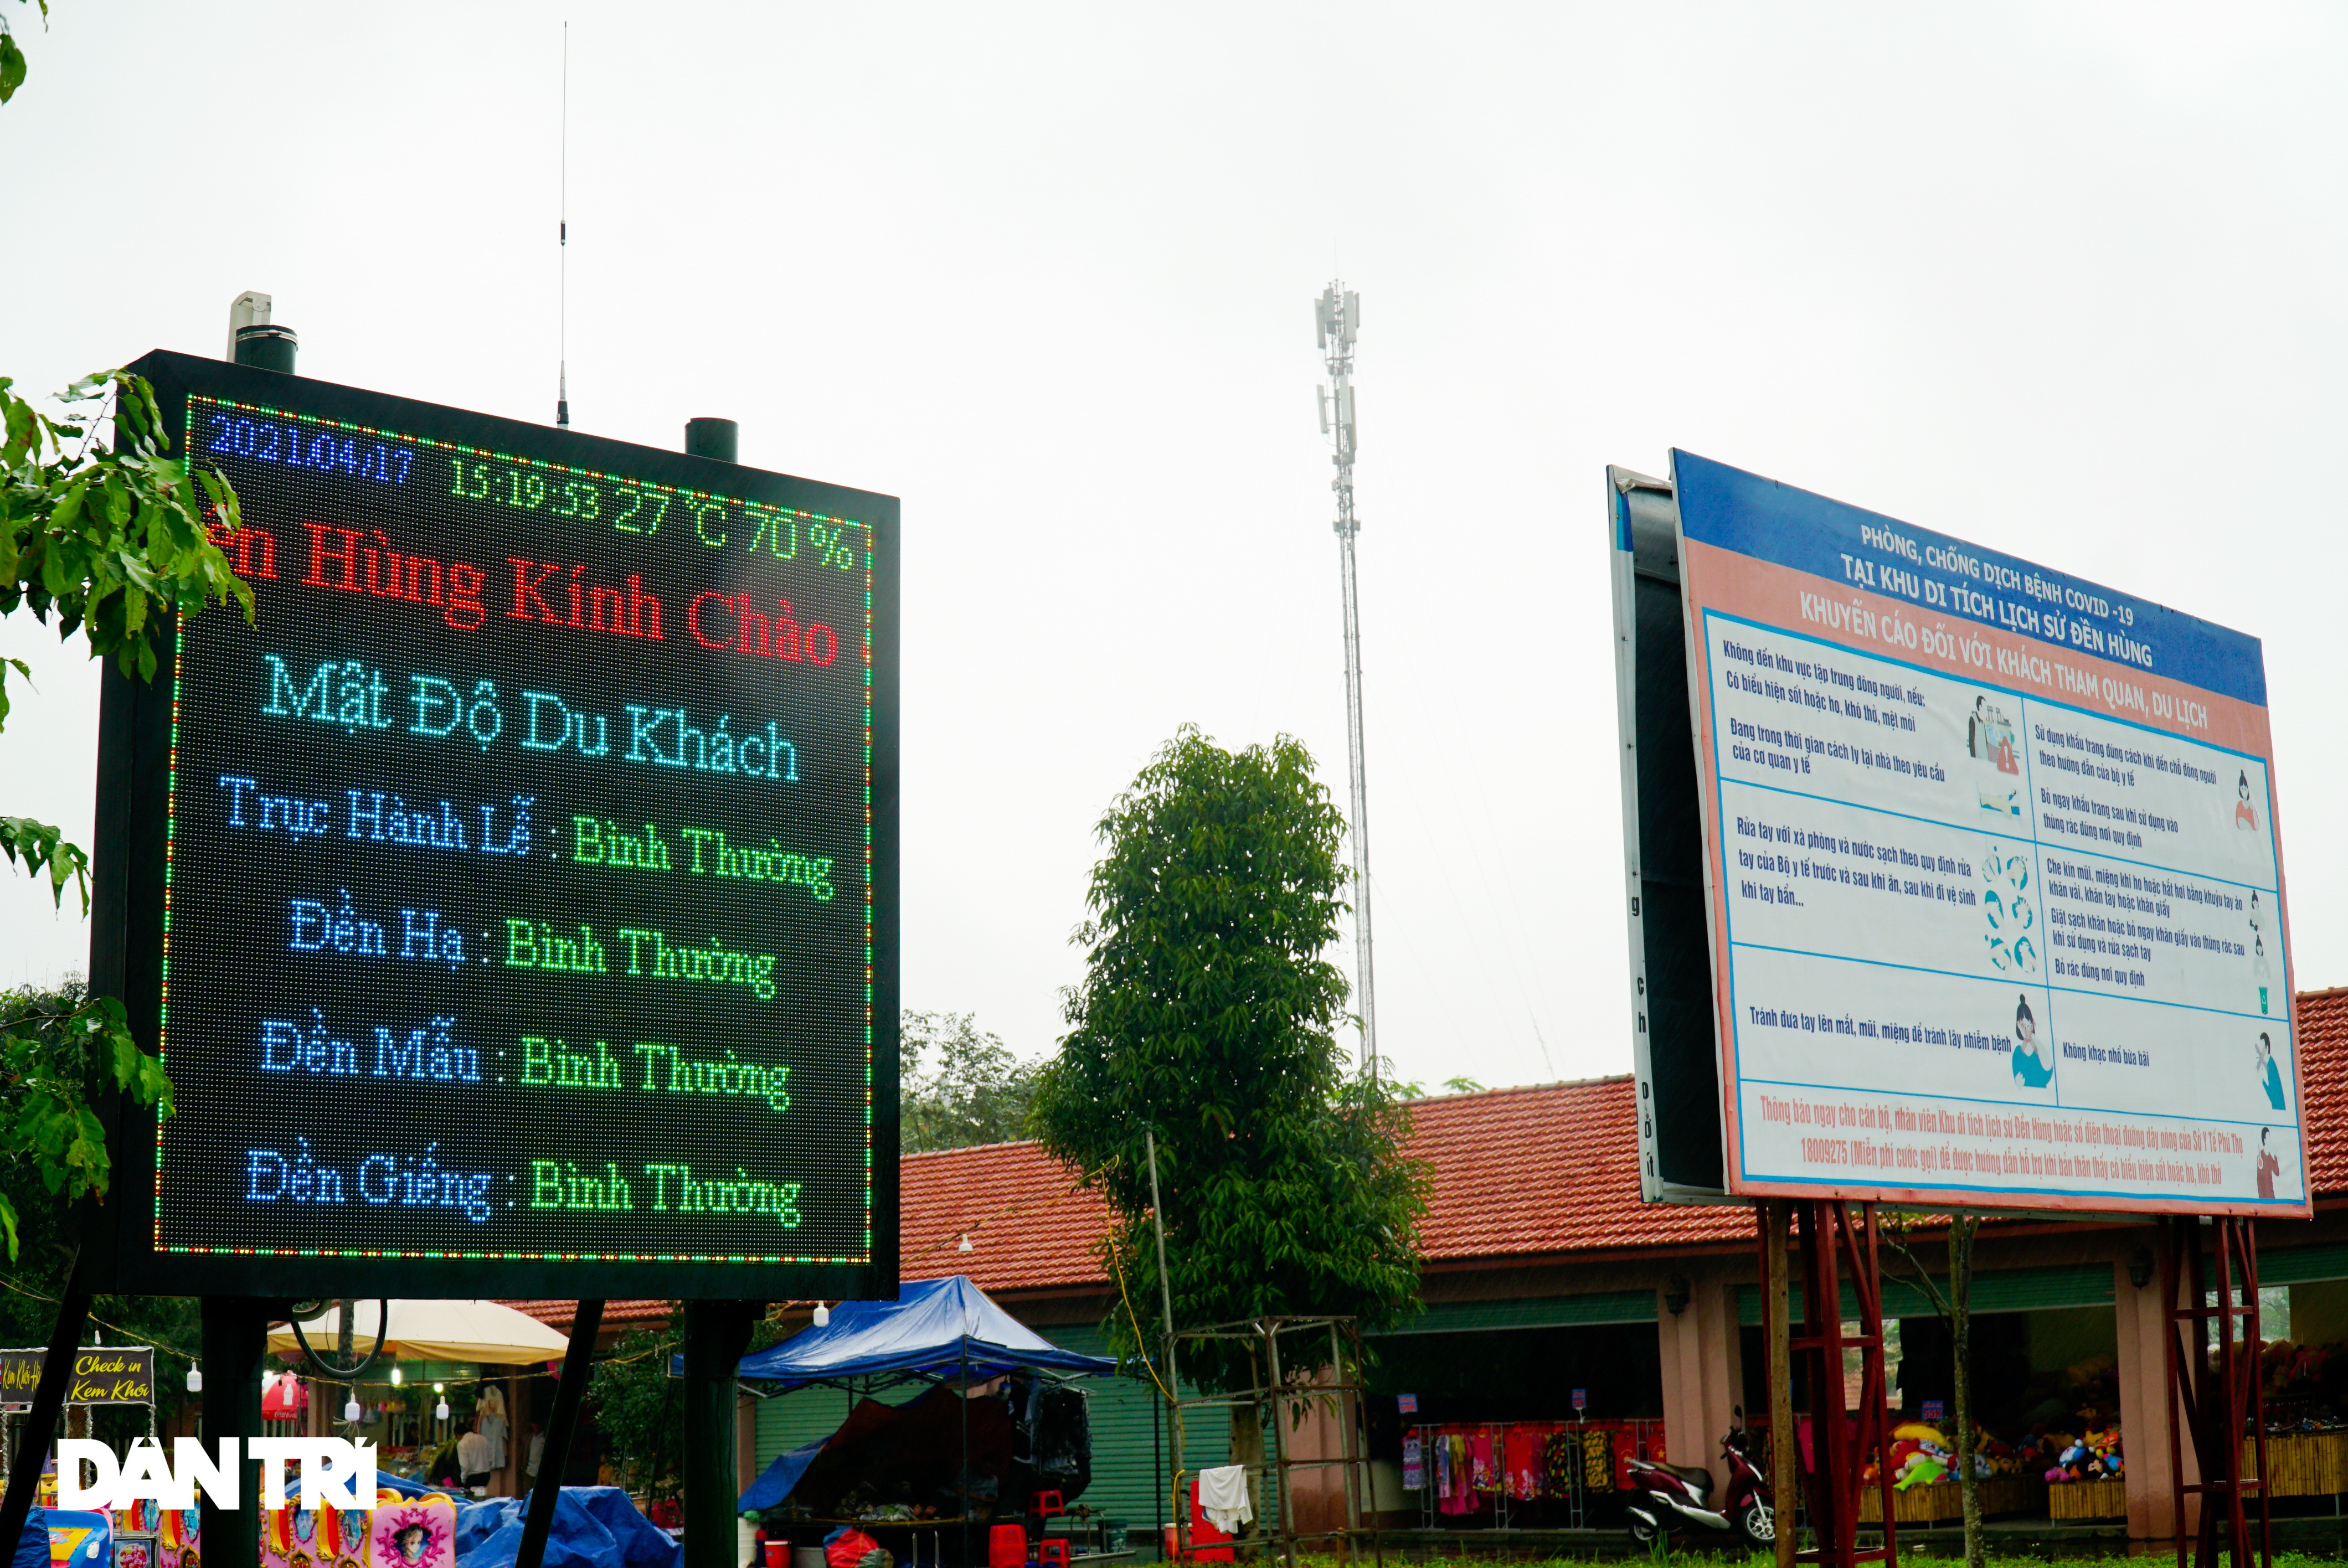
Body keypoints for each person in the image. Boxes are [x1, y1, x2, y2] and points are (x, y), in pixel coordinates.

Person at [2011, 994, 2054, 1089]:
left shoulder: (2039, 1051)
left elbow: (2048, 1069)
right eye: (2023, 1025)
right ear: (2018, 1024)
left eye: (2028, 1024)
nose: (2026, 1029)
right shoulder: (2018, 1053)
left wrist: (2033, 1036)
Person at [457, 1416, 494, 1494]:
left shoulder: (462, 1444)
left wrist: (463, 1479)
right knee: (482, 1498)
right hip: (486, 1476)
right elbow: (491, 1458)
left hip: (472, 1477)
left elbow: (465, 1465)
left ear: (458, 1435)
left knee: (471, 1500)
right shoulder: (483, 1439)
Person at [2258, 1033, 2287, 1111]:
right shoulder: (2269, 1064)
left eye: (2262, 1048)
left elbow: (2273, 1095)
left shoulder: (2271, 1066)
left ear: (2267, 1048)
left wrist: (2262, 1081)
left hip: (2278, 1109)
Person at [2258, 1129, 2281, 1201]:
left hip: (2271, 1196)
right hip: (2264, 1198)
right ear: (2265, 1140)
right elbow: (2259, 1180)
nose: (2270, 1140)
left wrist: (2274, 1156)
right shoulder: (2261, 1156)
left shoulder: (2270, 1156)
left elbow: (2277, 1173)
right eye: (2268, 1138)